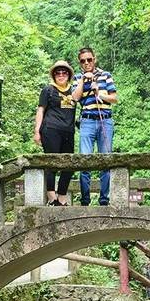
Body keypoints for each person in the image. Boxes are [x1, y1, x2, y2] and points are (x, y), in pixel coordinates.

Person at [71, 47, 117, 206]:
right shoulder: (77, 77)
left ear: (94, 59)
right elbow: (75, 97)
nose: (86, 63)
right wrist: (84, 80)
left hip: (105, 120)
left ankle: (104, 200)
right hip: (87, 121)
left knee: (106, 160)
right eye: (83, 61)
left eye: (89, 59)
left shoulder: (106, 75)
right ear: (80, 63)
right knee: (85, 161)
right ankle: (85, 200)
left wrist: (99, 93)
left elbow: (114, 98)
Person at [34, 60, 76, 206]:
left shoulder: (74, 91)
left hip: (68, 131)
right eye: (58, 73)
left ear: (69, 75)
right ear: (54, 75)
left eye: (64, 72)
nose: (61, 75)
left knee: (69, 164)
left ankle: (62, 196)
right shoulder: (48, 90)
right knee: (51, 162)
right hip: (50, 129)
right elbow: (40, 110)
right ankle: (52, 197)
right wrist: (37, 131)